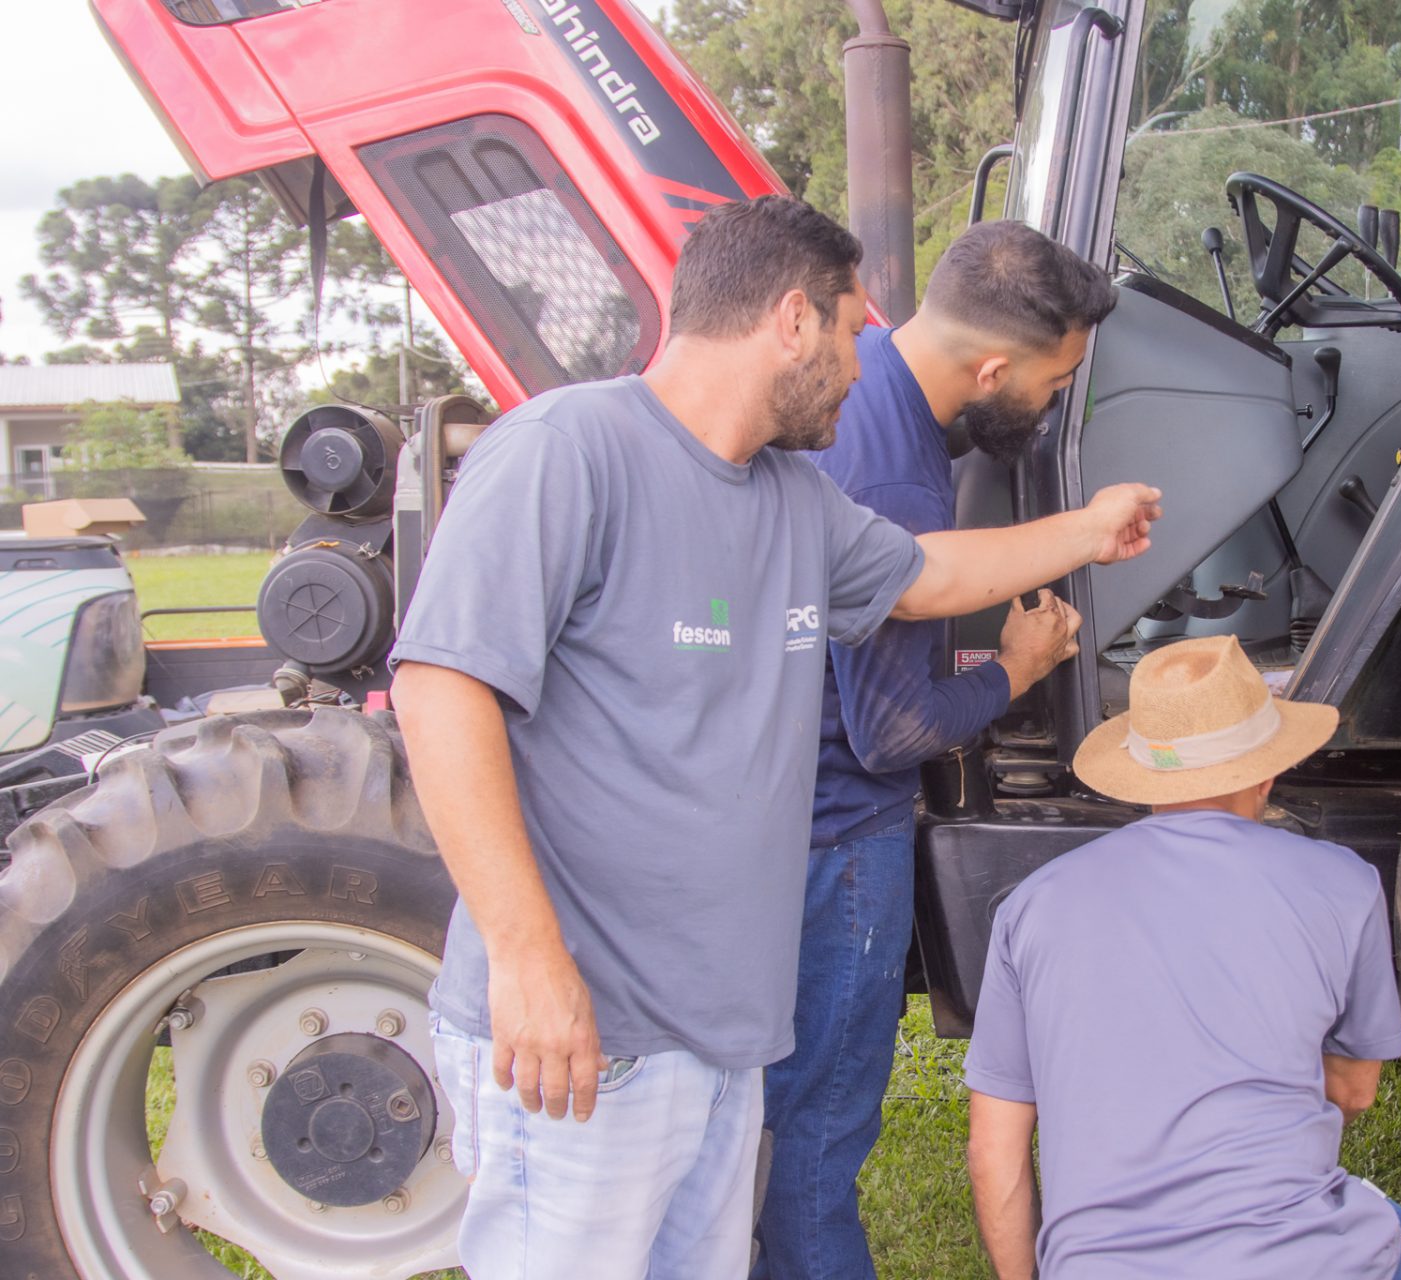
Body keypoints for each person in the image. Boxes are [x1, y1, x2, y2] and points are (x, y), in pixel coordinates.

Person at [389, 195, 1161, 1280]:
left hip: (724, 1039)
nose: (865, 367)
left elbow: (931, 575)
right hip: (586, 1039)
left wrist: (1089, 529)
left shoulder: (795, 494)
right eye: (853, 333)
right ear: (793, 321)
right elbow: (442, 689)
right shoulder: (570, 450)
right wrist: (526, 960)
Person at [755, 220, 1118, 1280]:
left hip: (788, 822)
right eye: (1056, 384)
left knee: (774, 1123)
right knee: (818, 1140)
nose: (1052, 406)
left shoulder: (859, 395)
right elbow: (892, 730)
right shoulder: (904, 477)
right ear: (994, 368)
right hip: (840, 842)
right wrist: (1019, 669)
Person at [964, 635, 1401, 1280]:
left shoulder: (1034, 903)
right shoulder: (1342, 883)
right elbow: (1352, 1089)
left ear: (1142, 774)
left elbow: (993, 1146)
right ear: (1268, 767)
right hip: (1296, 1259)